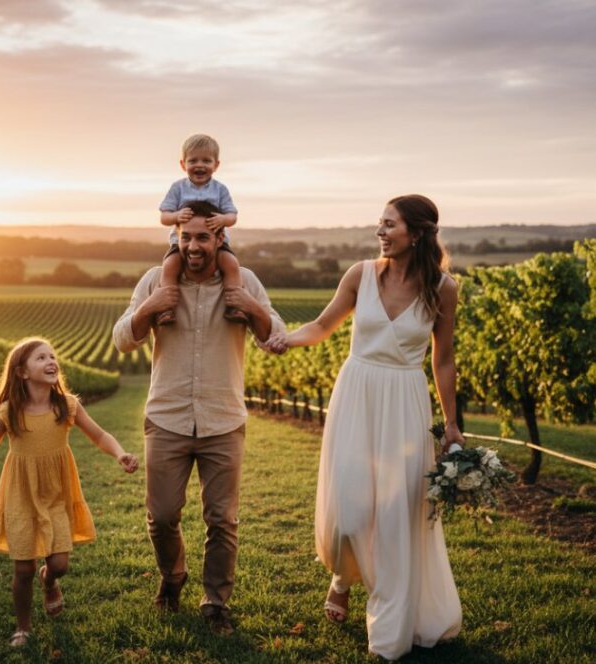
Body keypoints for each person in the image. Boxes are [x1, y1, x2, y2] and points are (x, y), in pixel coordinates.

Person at [266, 194, 463, 660]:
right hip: (356, 395)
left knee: (396, 518)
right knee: (350, 513)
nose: (380, 230)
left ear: (415, 234)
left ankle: (389, 633)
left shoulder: (443, 287)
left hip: (405, 403)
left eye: (389, 223)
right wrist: (286, 340)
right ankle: (342, 576)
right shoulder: (360, 274)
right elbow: (321, 324)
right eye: (380, 222)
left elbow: (444, 358)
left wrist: (452, 423)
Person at [113, 201, 286, 635]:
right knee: (163, 516)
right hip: (167, 418)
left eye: (202, 237)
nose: (193, 245)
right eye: (185, 237)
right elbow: (122, 341)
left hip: (223, 420)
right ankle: (172, 578)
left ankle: (215, 602)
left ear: (218, 239)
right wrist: (150, 308)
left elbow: (274, 337)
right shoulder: (155, 279)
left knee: (222, 519)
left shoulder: (243, 281)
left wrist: (251, 306)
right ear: (176, 238)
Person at [0, 337, 139, 648]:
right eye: (40, 358)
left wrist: (119, 453)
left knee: (60, 563)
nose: (51, 361)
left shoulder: (65, 405)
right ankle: (23, 628)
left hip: (56, 493)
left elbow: (98, 434)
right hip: (21, 494)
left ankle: (50, 580)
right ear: (22, 372)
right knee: (22, 567)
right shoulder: (8, 412)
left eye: (52, 356)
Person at [156, 133, 248, 326]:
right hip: (180, 243)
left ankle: (234, 307)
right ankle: (166, 309)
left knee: (230, 264)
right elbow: (164, 217)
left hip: (217, 244)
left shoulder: (220, 189)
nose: (200, 165)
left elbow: (232, 216)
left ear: (216, 165)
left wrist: (223, 218)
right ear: (183, 165)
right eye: (193, 160)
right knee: (170, 266)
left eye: (206, 160)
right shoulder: (178, 188)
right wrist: (176, 216)